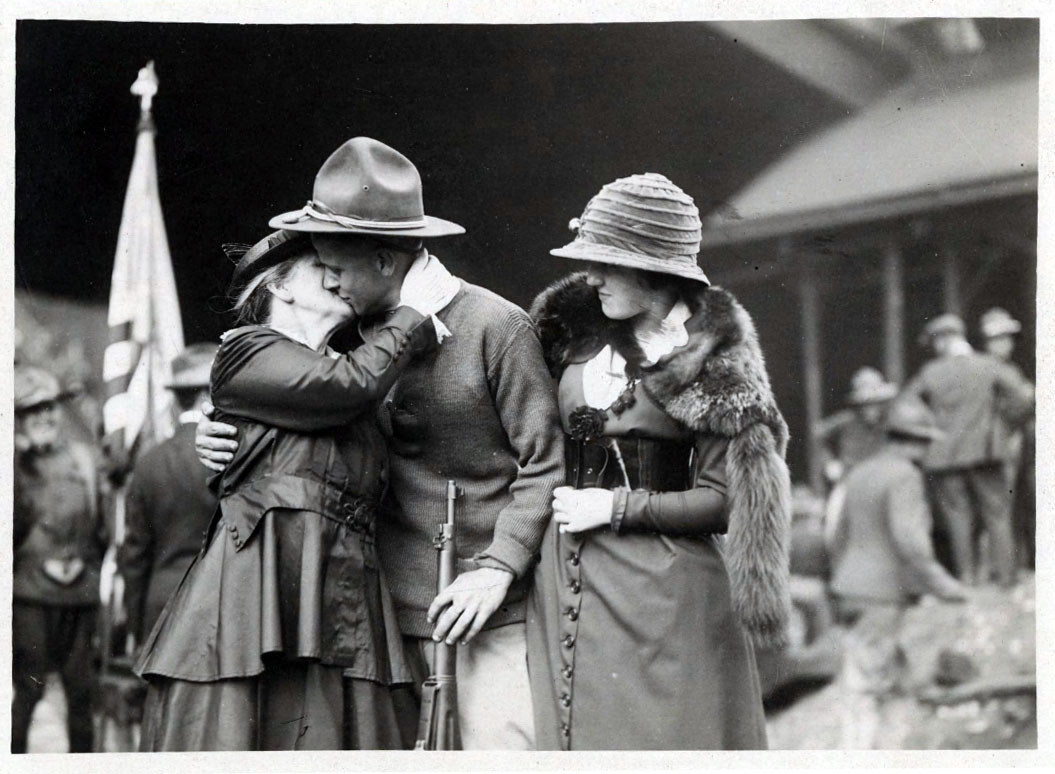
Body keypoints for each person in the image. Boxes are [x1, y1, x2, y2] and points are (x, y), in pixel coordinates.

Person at [194, 137, 564, 750]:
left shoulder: (496, 326)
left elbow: (546, 463)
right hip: (371, 618)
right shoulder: (337, 342)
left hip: (481, 610)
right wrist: (216, 440)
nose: (328, 280)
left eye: (335, 266)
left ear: (387, 262)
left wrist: (498, 567)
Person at [134, 229, 446, 750]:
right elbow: (341, 390)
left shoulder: (348, 368)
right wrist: (412, 313)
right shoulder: (245, 350)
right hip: (264, 587)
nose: (335, 276)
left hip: (335, 585)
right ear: (279, 288)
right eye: (319, 265)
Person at [525, 173, 792, 750]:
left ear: (654, 268)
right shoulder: (566, 336)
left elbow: (727, 500)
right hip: (567, 579)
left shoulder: (715, 359)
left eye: (606, 262)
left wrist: (617, 505)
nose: (590, 276)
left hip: (666, 592)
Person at [828, 397, 967, 749]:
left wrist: (845, 578)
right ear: (916, 440)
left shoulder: (859, 471)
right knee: (869, 692)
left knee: (880, 684)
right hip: (882, 596)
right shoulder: (905, 476)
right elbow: (911, 541)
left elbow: (838, 535)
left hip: (850, 590)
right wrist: (944, 585)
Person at [12, 364, 106, 753]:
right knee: (29, 695)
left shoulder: (82, 460)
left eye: (50, 407)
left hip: (80, 595)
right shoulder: (13, 465)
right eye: (33, 410)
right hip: (32, 597)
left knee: (82, 699)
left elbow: (100, 526)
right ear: (18, 418)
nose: (45, 416)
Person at [904, 313, 1033, 587]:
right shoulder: (987, 365)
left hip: (944, 457)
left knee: (958, 517)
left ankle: (969, 577)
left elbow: (906, 408)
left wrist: (930, 432)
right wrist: (1006, 425)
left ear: (942, 341)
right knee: (997, 514)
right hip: (986, 452)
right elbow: (1023, 398)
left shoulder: (930, 373)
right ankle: (1007, 578)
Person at [118, 343, 219, 647]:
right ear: (206, 398)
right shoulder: (231, 455)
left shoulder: (149, 461)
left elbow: (134, 556)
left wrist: (137, 625)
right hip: (219, 603)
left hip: (160, 607)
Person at [813, 367, 898, 549]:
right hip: (849, 480)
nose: (871, 408)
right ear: (859, 405)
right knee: (833, 524)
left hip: (880, 481)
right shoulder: (846, 421)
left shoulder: (889, 424)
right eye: (866, 404)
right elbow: (818, 434)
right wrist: (829, 463)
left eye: (876, 403)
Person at [978, 307, 1035, 570]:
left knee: (1020, 500)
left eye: (1008, 338)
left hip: (1017, 439)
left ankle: (1019, 563)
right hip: (999, 441)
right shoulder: (985, 368)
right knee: (1003, 503)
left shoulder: (1008, 367)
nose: (1007, 344)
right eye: (1000, 339)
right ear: (988, 342)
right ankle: (1003, 566)